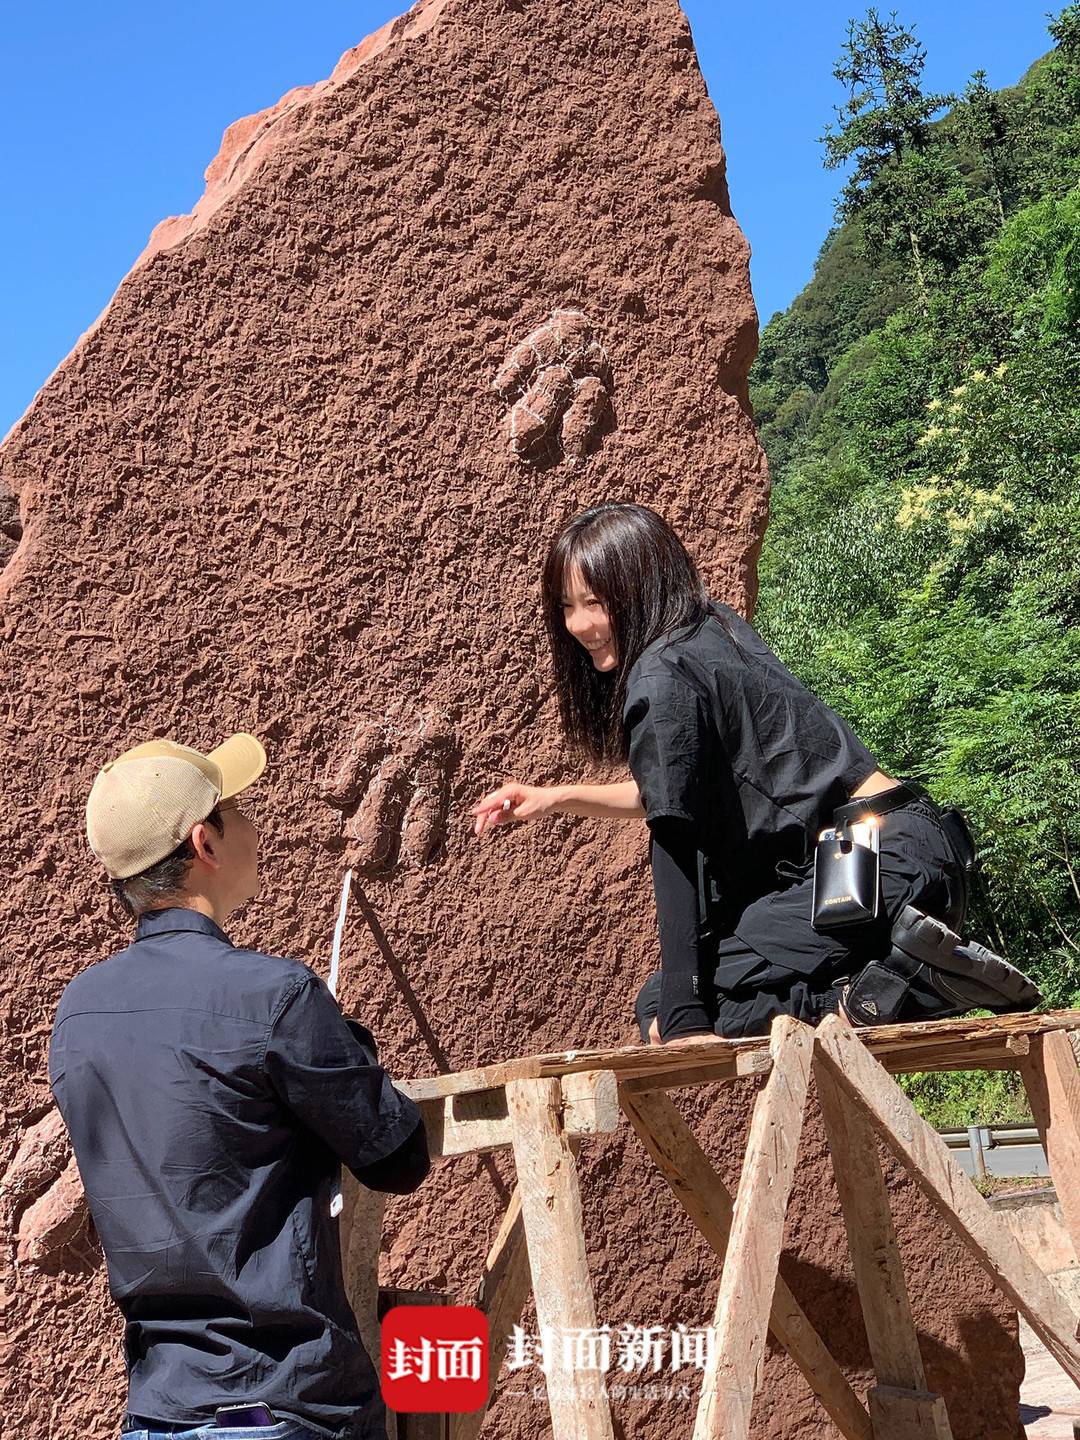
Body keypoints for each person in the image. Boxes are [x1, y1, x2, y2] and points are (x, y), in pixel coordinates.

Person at [470, 501, 993, 1046]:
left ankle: (902, 991)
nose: (579, 625)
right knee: (687, 990)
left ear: (638, 587)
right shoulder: (716, 629)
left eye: (596, 603)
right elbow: (673, 791)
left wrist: (684, 1014)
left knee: (661, 1004)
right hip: (917, 848)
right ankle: (901, 972)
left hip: (860, 872)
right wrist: (554, 798)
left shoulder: (660, 672)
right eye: (567, 606)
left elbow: (674, 837)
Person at [48, 734, 429, 1440]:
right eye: (236, 808)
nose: (253, 822)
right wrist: (348, 1048)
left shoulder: (79, 1015)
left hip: (160, 1412)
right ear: (205, 843)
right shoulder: (272, 996)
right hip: (283, 1405)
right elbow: (399, 1157)